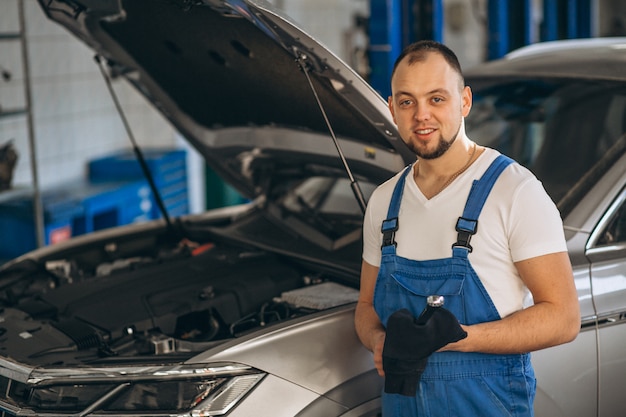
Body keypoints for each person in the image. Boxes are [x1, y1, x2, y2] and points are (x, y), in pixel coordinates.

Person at [354, 40, 580, 416]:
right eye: (407, 101)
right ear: (392, 108)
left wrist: (459, 339)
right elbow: (365, 306)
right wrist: (378, 341)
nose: (421, 115)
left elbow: (563, 318)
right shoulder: (384, 202)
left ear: (465, 102)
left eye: (437, 99)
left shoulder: (515, 191)